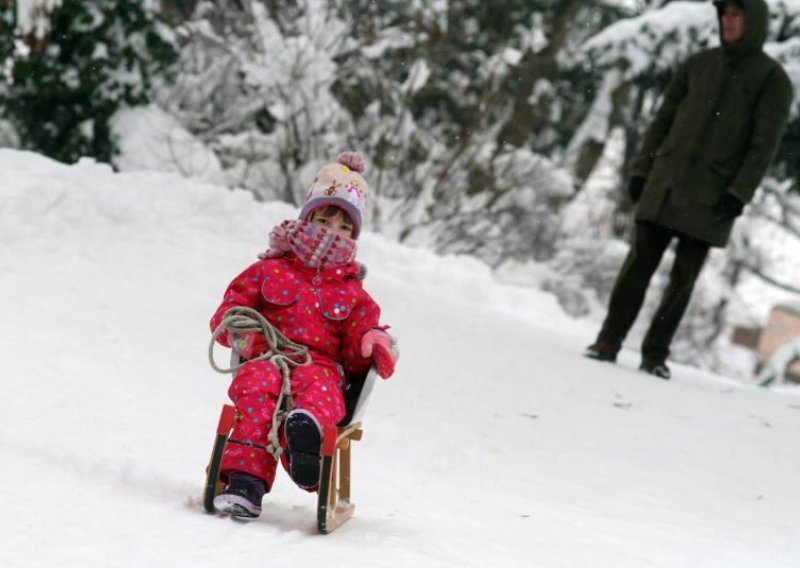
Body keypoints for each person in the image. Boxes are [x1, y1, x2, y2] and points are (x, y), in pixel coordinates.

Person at [585, 0, 793, 379]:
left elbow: (764, 146)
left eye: (736, 15)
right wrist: (642, 168)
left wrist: (739, 192)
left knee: (683, 279)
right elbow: (663, 118)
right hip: (666, 181)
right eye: (724, 14)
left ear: (753, 21)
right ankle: (608, 341)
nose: (728, 22)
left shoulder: (773, 80)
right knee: (637, 265)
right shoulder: (699, 64)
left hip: (712, 195)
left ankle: (655, 354)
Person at [209, 152, 399, 519]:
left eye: (344, 226)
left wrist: (371, 343)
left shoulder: (353, 293)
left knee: (321, 389)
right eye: (324, 219)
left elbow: (357, 355)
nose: (331, 231)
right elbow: (230, 310)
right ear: (308, 218)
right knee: (258, 387)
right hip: (268, 358)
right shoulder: (269, 270)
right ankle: (245, 484)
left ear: (353, 234)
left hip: (320, 366)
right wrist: (244, 335)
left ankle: (304, 442)